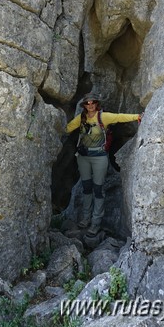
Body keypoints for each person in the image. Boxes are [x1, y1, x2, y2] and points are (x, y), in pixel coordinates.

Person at [66, 92, 142, 236]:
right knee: (87, 188)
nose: (90, 105)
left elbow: (119, 117)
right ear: (84, 105)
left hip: (99, 157)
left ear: (96, 104)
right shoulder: (81, 118)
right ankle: (86, 218)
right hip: (83, 157)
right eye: (87, 103)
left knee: (98, 189)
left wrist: (137, 116)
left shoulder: (103, 117)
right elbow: (68, 128)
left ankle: (95, 223)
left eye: (92, 102)